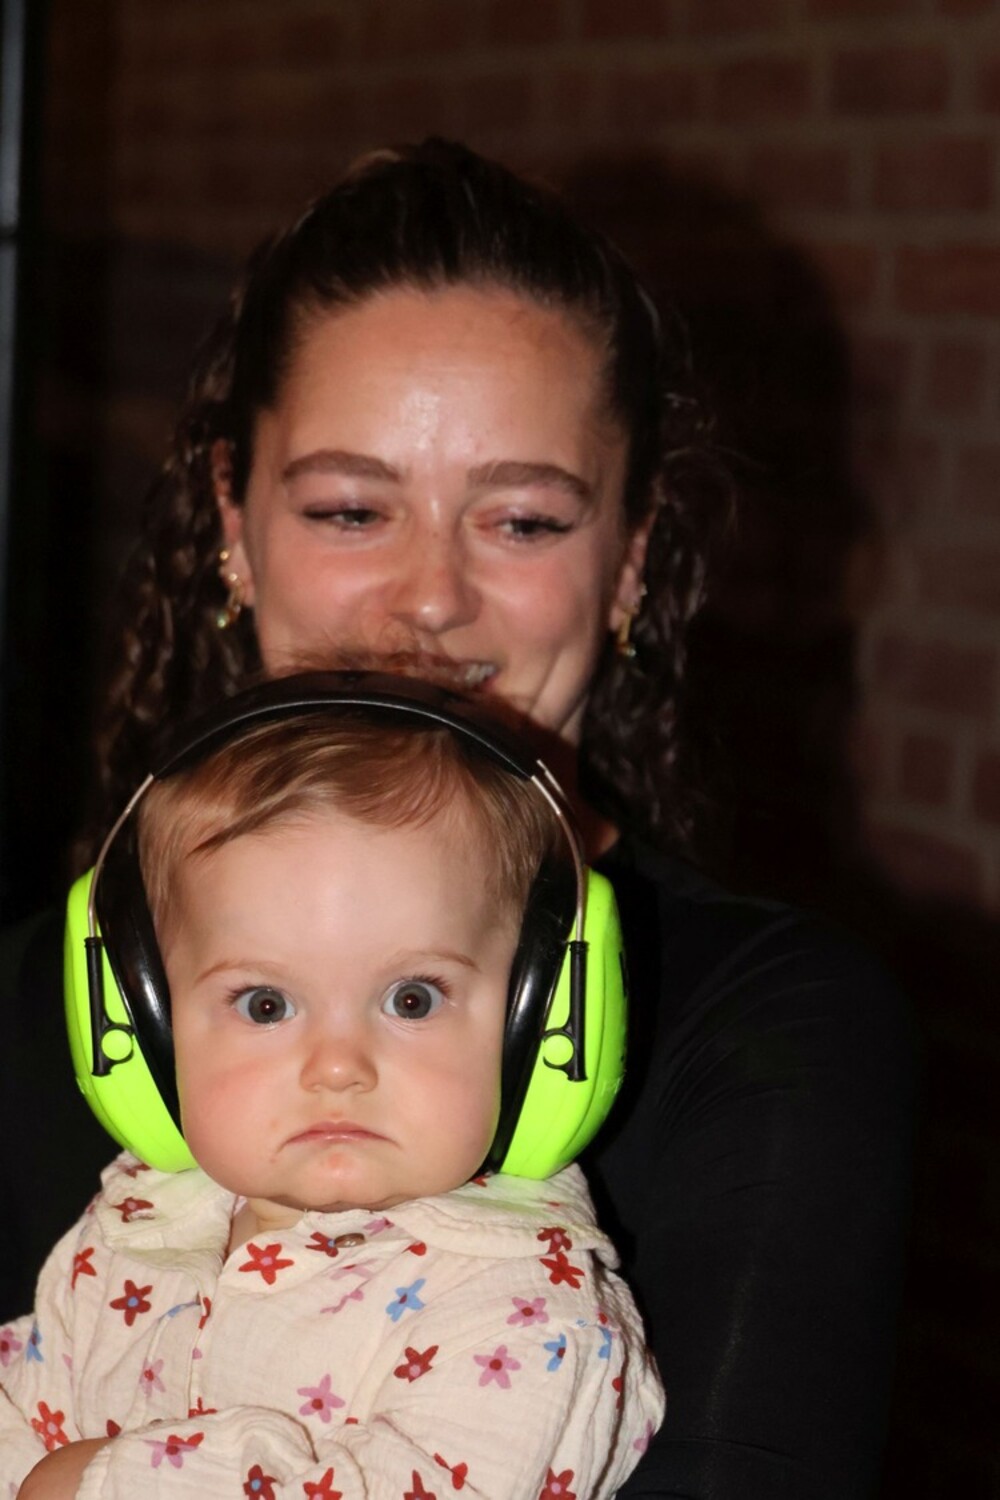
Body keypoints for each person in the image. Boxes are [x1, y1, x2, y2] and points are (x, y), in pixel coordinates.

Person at [1, 139, 914, 1497]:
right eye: (350, 507)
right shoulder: (30, 1000)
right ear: (233, 525)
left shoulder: (776, 1032)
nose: (430, 597)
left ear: (631, 560)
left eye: (524, 521)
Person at [2, 676, 664, 1499]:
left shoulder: (529, 1314)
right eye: (265, 1004)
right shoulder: (132, 1230)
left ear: (548, 1017)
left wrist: (96, 1484)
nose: (338, 1066)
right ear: (143, 1026)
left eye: (411, 999)